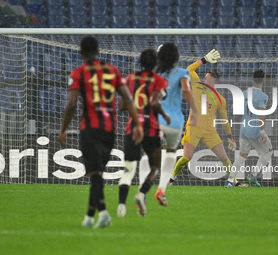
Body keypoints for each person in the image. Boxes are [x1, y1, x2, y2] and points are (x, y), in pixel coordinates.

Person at [59, 36, 143, 228]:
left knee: (95, 173)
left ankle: (104, 213)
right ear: (98, 51)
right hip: (110, 128)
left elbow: (72, 104)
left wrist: (63, 129)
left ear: (81, 53)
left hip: (90, 128)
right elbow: (127, 98)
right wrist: (137, 124)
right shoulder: (113, 70)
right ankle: (89, 218)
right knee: (98, 173)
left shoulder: (79, 72)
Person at [138, 42, 198, 207]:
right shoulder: (183, 73)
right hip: (175, 122)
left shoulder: (153, 75)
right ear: (176, 58)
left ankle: (142, 188)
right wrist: (195, 111)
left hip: (156, 120)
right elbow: (186, 90)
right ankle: (161, 189)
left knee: (146, 154)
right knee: (171, 153)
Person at [170, 50, 236, 183]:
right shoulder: (196, 84)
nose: (204, 78)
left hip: (210, 131)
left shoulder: (220, 99)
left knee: (224, 157)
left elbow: (224, 119)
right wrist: (204, 60)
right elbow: (189, 69)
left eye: (206, 77)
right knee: (187, 157)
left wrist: (230, 137)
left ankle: (234, 181)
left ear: (212, 79)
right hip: (193, 127)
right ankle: (172, 177)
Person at [117, 48, 169, 217]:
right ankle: (141, 194)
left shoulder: (130, 79)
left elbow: (121, 106)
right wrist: (164, 114)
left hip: (132, 127)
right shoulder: (159, 80)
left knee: (129, 169)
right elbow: (155, 102)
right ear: (156, 63)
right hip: (151, 128)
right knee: (155, 167)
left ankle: (121, 207)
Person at [225, 69, 273, 188]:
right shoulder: (263, 96)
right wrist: (262, 131)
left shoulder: (245, 93)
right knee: (268, 152)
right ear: (264, 79)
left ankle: (230, 180)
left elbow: (232, 108)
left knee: (242, 155)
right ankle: (253, 175)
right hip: (255, 129)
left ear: (252, 78)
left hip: (244, 129)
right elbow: (261, 114)